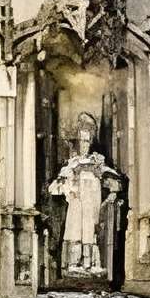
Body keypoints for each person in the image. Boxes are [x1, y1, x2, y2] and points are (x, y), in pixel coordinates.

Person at [49, 112, 121, 281]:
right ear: (77, 142)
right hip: (76, 204)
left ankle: (90, 264)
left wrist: (112, 193)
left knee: (90, 230)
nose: (84, 145)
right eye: (82, 141)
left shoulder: (97, 161)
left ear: (91, 141)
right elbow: (55, 186)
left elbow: (114, 180)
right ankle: (73, 264)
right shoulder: (72, 163)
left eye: (87, 141)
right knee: (75, 230)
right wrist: (69, 188)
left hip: (91, 204)